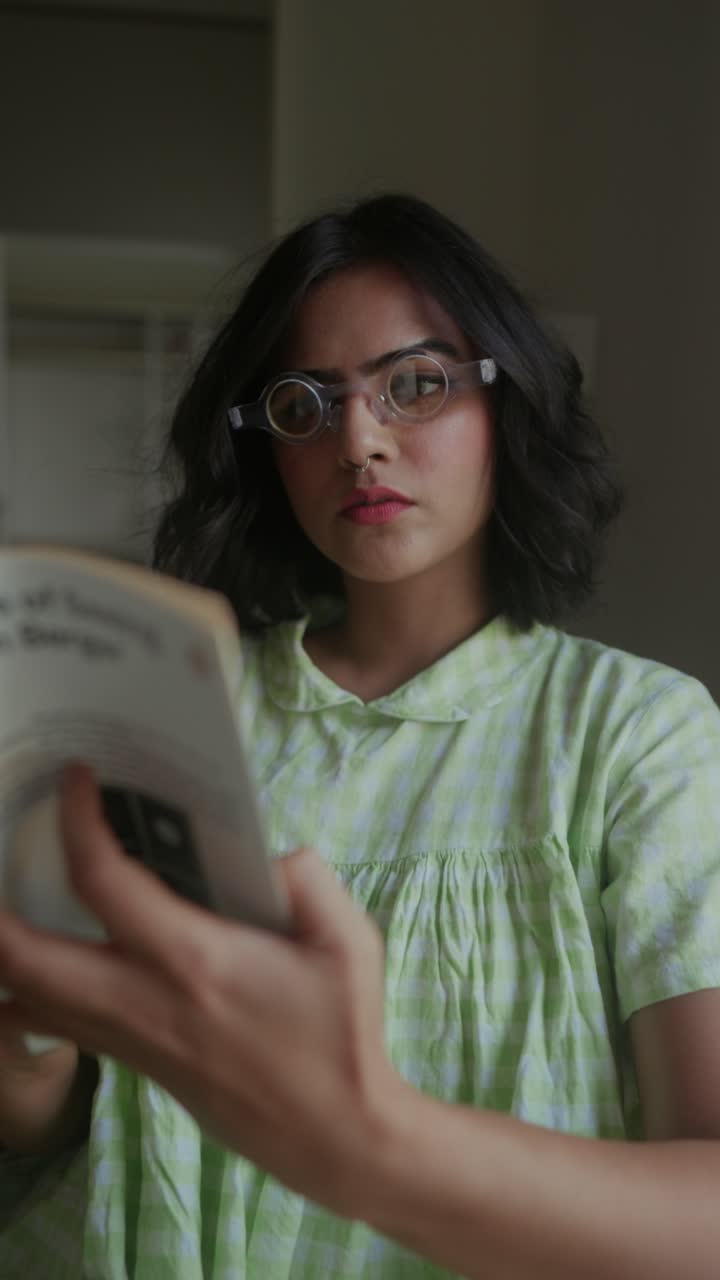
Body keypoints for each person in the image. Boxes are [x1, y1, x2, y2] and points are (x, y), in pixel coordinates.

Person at [1, 193, 720, 1280]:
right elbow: (62, 1123)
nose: (360, 439)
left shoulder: (635, 734)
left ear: (506, 401)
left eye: (415, 383)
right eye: (304, 404)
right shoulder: (173, 708)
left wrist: (361, 1136)